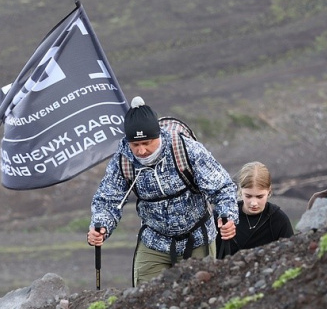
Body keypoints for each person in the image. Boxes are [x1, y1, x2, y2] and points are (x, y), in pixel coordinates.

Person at [87, 97, 238, 285]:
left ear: (158, 136)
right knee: (142, 300)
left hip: (198, 237)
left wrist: (228, 216)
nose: (141, 151)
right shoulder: (123, 160)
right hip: (154, 241)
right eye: (135, 145)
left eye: (147, 143)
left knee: (201, 298)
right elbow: (108, 200)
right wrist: (101, 226)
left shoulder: (185, 149)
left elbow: (222, 187)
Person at [217, 161, 294, 257]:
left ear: (269, 191)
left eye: (259, 197)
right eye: (248, 196)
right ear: (240, 190)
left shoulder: (279, 221)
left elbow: (290, 255)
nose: (254, 203)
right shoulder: (223, 217)